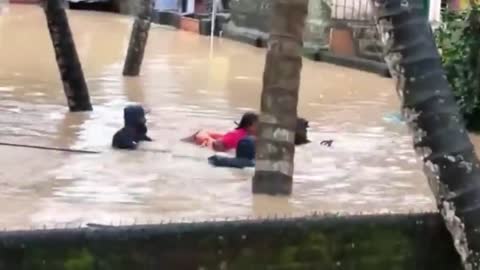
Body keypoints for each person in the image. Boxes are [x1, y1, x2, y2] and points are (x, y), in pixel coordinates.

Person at [190, 112, 258, 152]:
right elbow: (217, 144)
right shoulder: (237, 135)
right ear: (249, 126)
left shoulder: (252, 136)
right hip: (205, 139)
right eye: (258, 125)